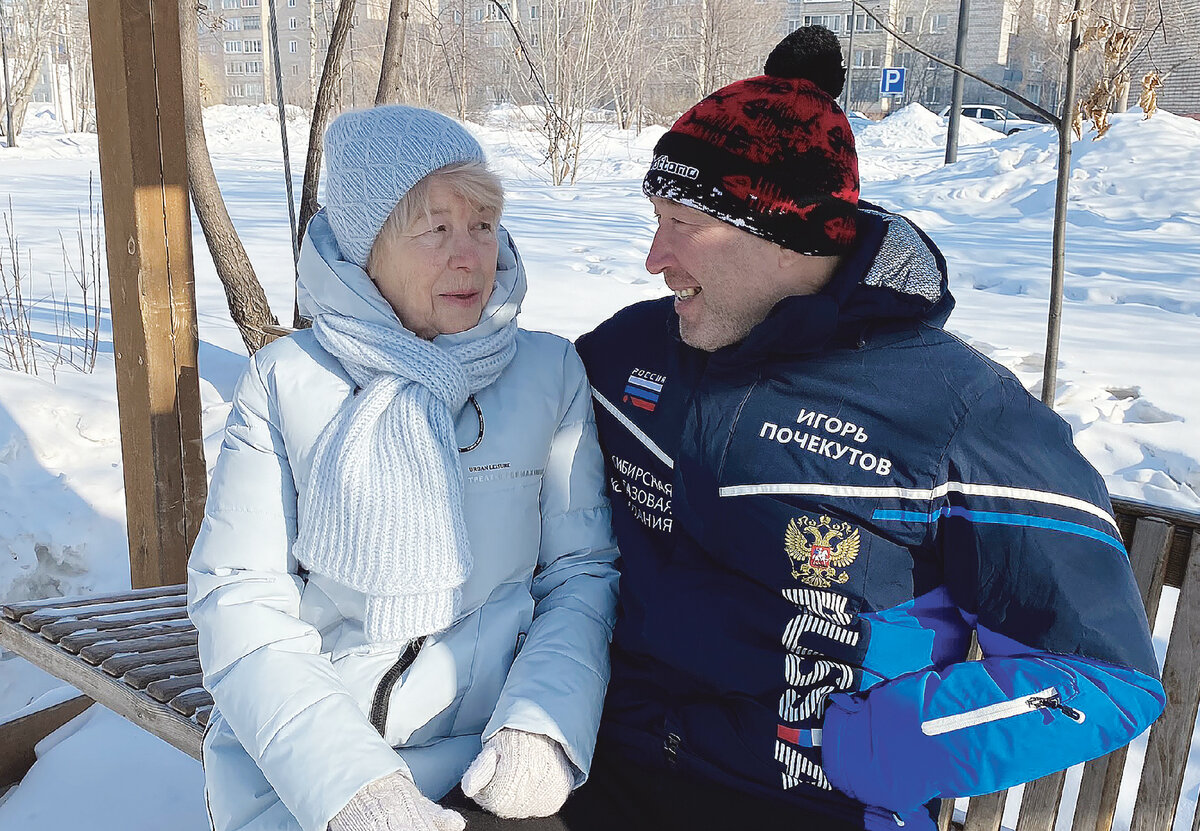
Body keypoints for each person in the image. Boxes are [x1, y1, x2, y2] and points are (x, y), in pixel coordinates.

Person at [567, 26, 1165, 831]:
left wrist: (871, 747)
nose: (653, 257)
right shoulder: (628, 353)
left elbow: (1103, 675)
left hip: (807, 806)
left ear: (783, 234)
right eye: (654, 217)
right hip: (600, 773)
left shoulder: (956, 410)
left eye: (683, 224)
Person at [187, 105, 619, 831]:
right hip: (308, 770)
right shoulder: (285, 383)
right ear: (367, 246)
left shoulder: (548, 373)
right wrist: (353, 788)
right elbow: (241, 605)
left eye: (482, 224)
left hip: (492, 759)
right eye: (436, 227)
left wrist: (543, 725)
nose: (471, 255)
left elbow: (579, 576)